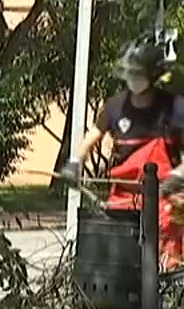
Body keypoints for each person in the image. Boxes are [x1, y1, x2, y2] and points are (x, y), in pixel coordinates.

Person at [59, 34, 184, 268]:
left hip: (164, 196)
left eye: (138, 73)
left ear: (153, 74)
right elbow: (94, 134)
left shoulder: (173, 107)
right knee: (118, 254)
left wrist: (177, 177)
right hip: (123, 197)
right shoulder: (116, 106)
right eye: (129, 72)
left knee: (164, 255)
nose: (132, 78)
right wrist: (75, 162)